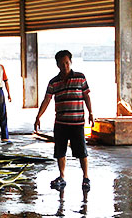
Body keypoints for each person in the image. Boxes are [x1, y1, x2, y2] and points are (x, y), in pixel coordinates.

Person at [34, 50, 93, 192]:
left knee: (81, 151)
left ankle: (85, 177)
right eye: (62, 64)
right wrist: (38, 116)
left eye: (67, 63)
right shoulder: (53, 82)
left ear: (71, 62)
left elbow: (86, 96)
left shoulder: (80, 78)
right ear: (57, 65)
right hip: (60, 123)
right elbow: (47, 99)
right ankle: (61, 176)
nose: (65, 66)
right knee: (60, 152)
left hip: (77, 123)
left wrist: (91, 113)